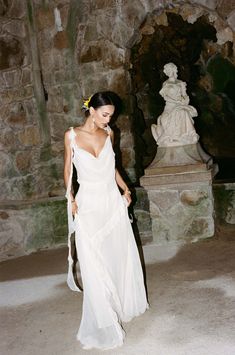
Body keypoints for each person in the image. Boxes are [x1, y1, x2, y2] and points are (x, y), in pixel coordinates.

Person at [64, 91, 148, 350]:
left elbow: (112, 166)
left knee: (117, 251)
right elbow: (68, 169)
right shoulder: (72, 135)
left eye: (111, 115)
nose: (108, 119)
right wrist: (71, 197)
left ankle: (119, 301)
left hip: (111, 200)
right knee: (91, 256)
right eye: (104, 114)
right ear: (91, 110)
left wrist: (125, 189)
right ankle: (102, 313)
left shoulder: (110, 133)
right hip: (88, 202)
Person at [151, 62, 199, 146]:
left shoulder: (180, 83)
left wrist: (184, 101)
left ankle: (191, 135)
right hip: (170, 106)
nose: (167, 72)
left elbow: (185, 96)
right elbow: (166, 97)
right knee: (167, 118)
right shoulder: (166, 84)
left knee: (184, 112)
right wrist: (176, 101)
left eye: (169, 70)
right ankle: (172, 136)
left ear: (173, 70)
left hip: (180, 105)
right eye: (166, 71)